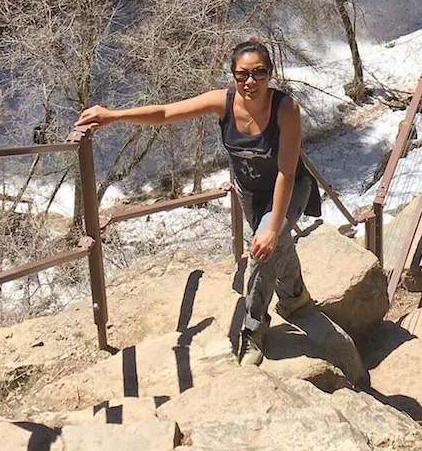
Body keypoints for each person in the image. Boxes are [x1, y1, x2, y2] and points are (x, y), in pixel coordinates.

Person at [74, 38, 321, 365]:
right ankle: (295, 297)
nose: (250, 82)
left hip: (288, 186)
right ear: (233, 76)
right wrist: (113, 116)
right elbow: (165, 112)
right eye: (242, 74)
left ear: (270, 73)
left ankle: (254, 327)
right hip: (250, 190)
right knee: (271, 245)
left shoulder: (285, 109)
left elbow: (286, 173)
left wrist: (274, 227)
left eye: (259, 73)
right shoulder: (223, 102)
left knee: (265, 246)